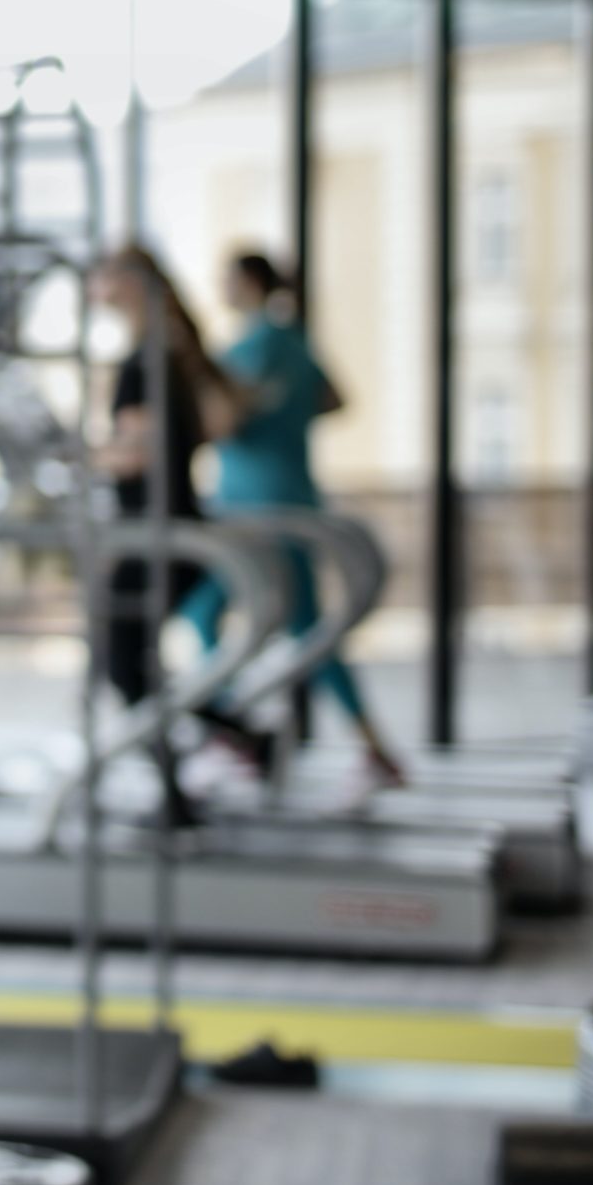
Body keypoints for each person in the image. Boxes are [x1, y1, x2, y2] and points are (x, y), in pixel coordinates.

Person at [182, 252, 406, 785]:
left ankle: (230, 724)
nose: (221, 289)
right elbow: (334, 399)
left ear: (250, 283)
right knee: (307, 628)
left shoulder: (248, 347)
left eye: (227, 280)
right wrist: (287, 414)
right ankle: (371, 747)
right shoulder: (294, 341)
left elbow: (223, 421)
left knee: (205, 611)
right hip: (294, 494)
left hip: (251, 506)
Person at [88, 245, 260, 826]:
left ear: (128, 285)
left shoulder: (145, 361)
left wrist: (87, 456)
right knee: (135, 665)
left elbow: (140, 452)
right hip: (173, 531)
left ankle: (178, 792)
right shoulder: (168, 353)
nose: (94, 287)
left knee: (124, 666)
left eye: (102, 276)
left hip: (158, 536)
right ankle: (238, 741)